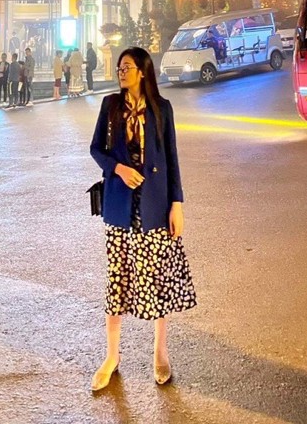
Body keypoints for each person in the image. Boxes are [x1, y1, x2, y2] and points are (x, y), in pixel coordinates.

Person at [88, 47, 196, 391]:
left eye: (127, 67)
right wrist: (118, 168)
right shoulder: (110, 106)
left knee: (157, 281)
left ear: (143, 72)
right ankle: (111, 356)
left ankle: (160, 352)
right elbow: (96, 149)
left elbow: (172, 158)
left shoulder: (161, 109)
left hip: (155, 207)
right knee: (117, 280)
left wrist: (176, 204)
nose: (122, 72)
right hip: (119, 207)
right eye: (120, 68)